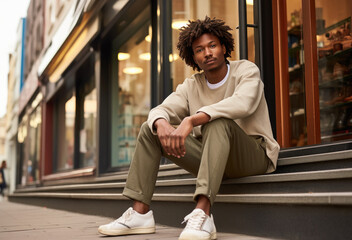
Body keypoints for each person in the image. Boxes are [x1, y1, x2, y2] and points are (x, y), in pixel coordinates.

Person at [98, 16, 280, 240]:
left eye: (212, 45)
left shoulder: (246, 70)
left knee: (217, 121)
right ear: (193, 57)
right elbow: (161, 109)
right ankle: (139, 213)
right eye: (199, 50)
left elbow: (244, 103)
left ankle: (203, 214)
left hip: (253, 155)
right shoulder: (191, 85)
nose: (207, 53)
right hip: (212, 157)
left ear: (223, 47)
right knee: (149, 128)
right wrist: (161, 122)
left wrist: (192, 120)